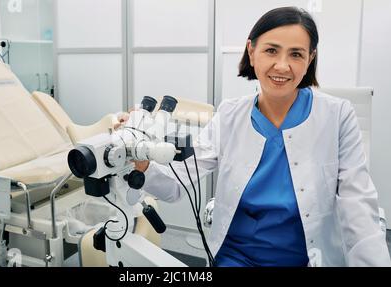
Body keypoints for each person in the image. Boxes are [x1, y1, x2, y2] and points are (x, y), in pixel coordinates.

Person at [127, 7, 391, 267]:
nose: (282, 65)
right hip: (236, 256)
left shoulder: (338, 115)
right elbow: (176, 184)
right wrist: (143, 161)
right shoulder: (230, 114)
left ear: (310, 59)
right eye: (271, 50)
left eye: (296, 54)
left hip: (308, 257)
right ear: (252, 52)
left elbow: (358, 207)